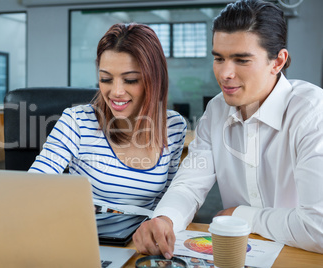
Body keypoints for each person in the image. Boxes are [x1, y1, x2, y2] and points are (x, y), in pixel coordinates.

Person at [133, 0, 323, 257]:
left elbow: (317, 228)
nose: (224, 73)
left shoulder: (312, 112)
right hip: (240, 255)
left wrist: (243, 215)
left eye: (241, 60)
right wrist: (165, 220)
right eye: (219, 58)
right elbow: (189, 186)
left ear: (277, 62)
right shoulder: (217, 110)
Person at [29, 23, 187, 210]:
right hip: (89, 236)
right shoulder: (77, 121)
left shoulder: (174, 126)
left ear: (154, 80)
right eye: (105, 79)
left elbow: (167, 203)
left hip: (140, 238)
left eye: (130, 80)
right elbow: (34, 186)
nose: (116, 91)